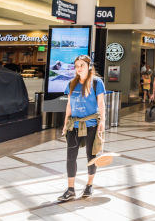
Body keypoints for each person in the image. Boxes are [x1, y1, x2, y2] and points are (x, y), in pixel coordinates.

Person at [59, 54, 105, 201]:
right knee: (70, 157)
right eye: (76, 66)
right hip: (74, 124)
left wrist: (103, 121)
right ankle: (71, 189)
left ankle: (89, 185)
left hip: (91, 124)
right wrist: (66, 122)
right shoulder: (72, 83)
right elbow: (69, 104)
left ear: (89, 66)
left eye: (82, 65)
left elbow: (101, 103)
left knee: (91, 156)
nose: (78, 68)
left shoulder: (97, 83)